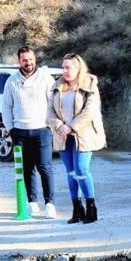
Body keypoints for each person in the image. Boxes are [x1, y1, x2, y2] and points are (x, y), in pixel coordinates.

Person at [48, 53, 106, 224]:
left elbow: (90, 111)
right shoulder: (57, 86)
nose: (65, 71)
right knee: (71, 172)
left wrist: (72, 126)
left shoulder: (90, 85)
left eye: (68, 67)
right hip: (63, 135)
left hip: (83, 134)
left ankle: (91, 207)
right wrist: (60, 126)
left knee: (81, 169)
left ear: (78, 68)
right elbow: (49, 111)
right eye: (63, 67)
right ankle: (77, 208)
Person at [2, 46, 56, 218]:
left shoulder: (46, 78)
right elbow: (6, 106)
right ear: (19, 61)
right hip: (20, 132)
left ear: (35, 59)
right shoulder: (12, 81)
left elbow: (53, 103)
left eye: (31, 59)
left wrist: (51, 125)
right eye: (25, 60)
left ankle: (50, 204)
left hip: (42, 130)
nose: (28, 63)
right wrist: (11, 128)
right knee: (27, 169)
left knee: (45, 167)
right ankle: (32, 202)